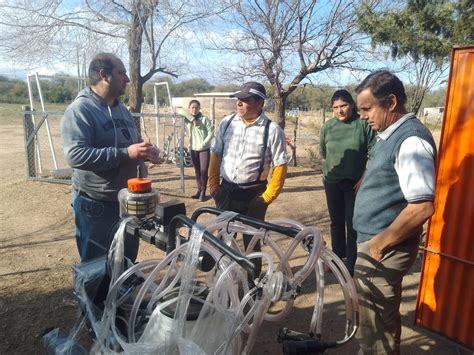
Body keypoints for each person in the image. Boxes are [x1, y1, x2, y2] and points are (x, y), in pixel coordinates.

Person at [353, 70, 436, 354]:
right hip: (378, 244)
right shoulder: (390, 133)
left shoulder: (411, 140)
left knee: (376, 332)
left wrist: (378, 245)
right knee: (377, 322)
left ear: (390, 102)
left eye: (367, 108)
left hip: (384, 248)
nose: (362, 115)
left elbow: (422, 207)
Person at [61, 53, 160, 262]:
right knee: (98, 267)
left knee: (126, 261)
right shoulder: (81, 110)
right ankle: (96, 297)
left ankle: (123, 295)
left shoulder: (121, 109)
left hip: (127, 202)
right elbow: (75, 155)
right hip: (97, 205)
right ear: (104, 75)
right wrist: (127, 153)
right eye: (121, 73)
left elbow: (131, 142)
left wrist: (145, 153)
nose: (127, 79)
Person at [208, 81, 288, 277]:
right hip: (226, 192)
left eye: (245, 100)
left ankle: (253, 285)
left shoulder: (272, 129)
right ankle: (222, 282)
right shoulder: (227, 124)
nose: (239, 103)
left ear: (259, 103)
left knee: (252, 242)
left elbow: (280, 166)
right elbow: (216, 154)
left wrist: (267, 198)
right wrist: (214, 186)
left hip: (254, 195)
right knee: (224, 240)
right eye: (238, 99)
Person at [319, 90, 375, 276]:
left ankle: (351, 264)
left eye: (343, 106)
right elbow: (324, 153)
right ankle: (337, 259)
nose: (340, 111)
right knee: (336, 222)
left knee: (352, 224)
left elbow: (374, 152)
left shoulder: (362, 124)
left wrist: (364, 177)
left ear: (351, 105)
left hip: (354, 184)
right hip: (332, 181)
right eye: (335, 107)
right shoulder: (328, 127)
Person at [184, 99, 214, 201]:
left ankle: (203, 192)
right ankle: (198, 190)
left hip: (204, 149)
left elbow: (211, 133)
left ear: (199, 108)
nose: (194, 109)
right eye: (192, 107)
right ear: (189, 108)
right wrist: (192, 119)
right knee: (197, 171)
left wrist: (204, 143)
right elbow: (178, 111)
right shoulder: (188, 120)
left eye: (196, 107)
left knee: (204, 170)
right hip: (193, 148)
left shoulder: (204, 119)